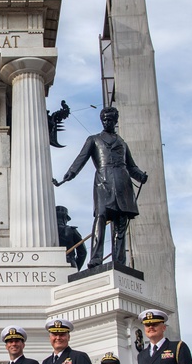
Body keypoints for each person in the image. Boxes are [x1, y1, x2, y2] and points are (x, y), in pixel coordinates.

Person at [53, 106, 148, 268]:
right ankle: (96, 258)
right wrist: (70, 174)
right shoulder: (94, 139)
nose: (107, 122)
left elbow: (131, 166)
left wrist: (141, 176)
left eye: (110, 120)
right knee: (100, 217)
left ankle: (119, 261)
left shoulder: (122, 143)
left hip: (123, 183)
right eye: (104, 120)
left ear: (115, 121)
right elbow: (81, 158)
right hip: (103, 182)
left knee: (120, 223)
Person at [56, 206, 87, 271]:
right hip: (70, 263)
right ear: (65, 218)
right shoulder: (72, 230)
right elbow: (83, 252)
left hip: (50, 261)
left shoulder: (46, 231)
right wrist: (76, 267)